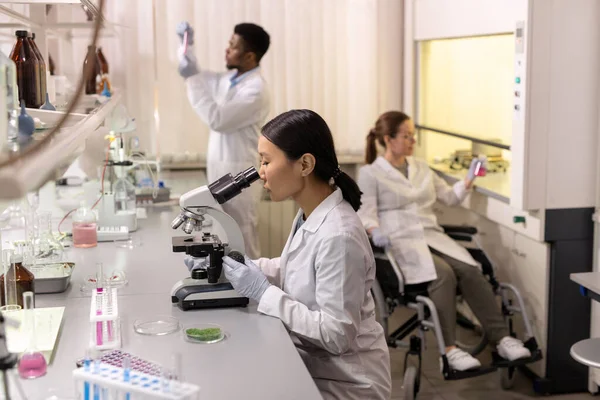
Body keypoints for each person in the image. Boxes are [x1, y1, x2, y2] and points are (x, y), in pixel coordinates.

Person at [220, 110, 392, 400]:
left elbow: (336, 335)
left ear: (305, 164)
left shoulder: (340, 234)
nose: (260, 172)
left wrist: (263, 293)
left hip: (346, 384)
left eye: (265, 161)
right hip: (315, 366)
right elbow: (296, 268)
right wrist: (233, 264)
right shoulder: (310, 212)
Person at [356, 111, 532, 371]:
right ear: (388, 139)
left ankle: (503, 339)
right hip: (399, 243)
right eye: (407, 136)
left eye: (413, 136)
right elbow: (366, 213)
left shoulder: (421, 167)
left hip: (431, 235)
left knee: (471, 269)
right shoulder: (370, 173)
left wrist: (470, 178)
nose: (412, 141)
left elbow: (449, 197)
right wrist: (374, 230)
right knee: (444, 275)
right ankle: (450, 350)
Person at [176, 21, 270, 259]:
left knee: (243, 241)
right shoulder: (229, 79)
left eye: (232, 46)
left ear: (249, 56)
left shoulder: (256, 90)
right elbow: (196, 75)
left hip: (241, 180)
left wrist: (191, 79)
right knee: (225, 239)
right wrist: (187, 47)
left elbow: (217, 118)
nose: (226, 49)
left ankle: (254, 296)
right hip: (220, 175)